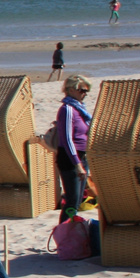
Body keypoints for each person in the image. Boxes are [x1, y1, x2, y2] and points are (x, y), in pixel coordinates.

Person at [52, 75, 92, 215]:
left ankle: (71, 230)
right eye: (81, 90)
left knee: (78, 200)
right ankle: (65, 234)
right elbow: (67, 139)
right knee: (72, 202)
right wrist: (77, 165)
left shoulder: (81, 109)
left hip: (82, 156)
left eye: (86, 90)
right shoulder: (67, 109)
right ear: (70, 90)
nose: (84, 93)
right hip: (70, 159)